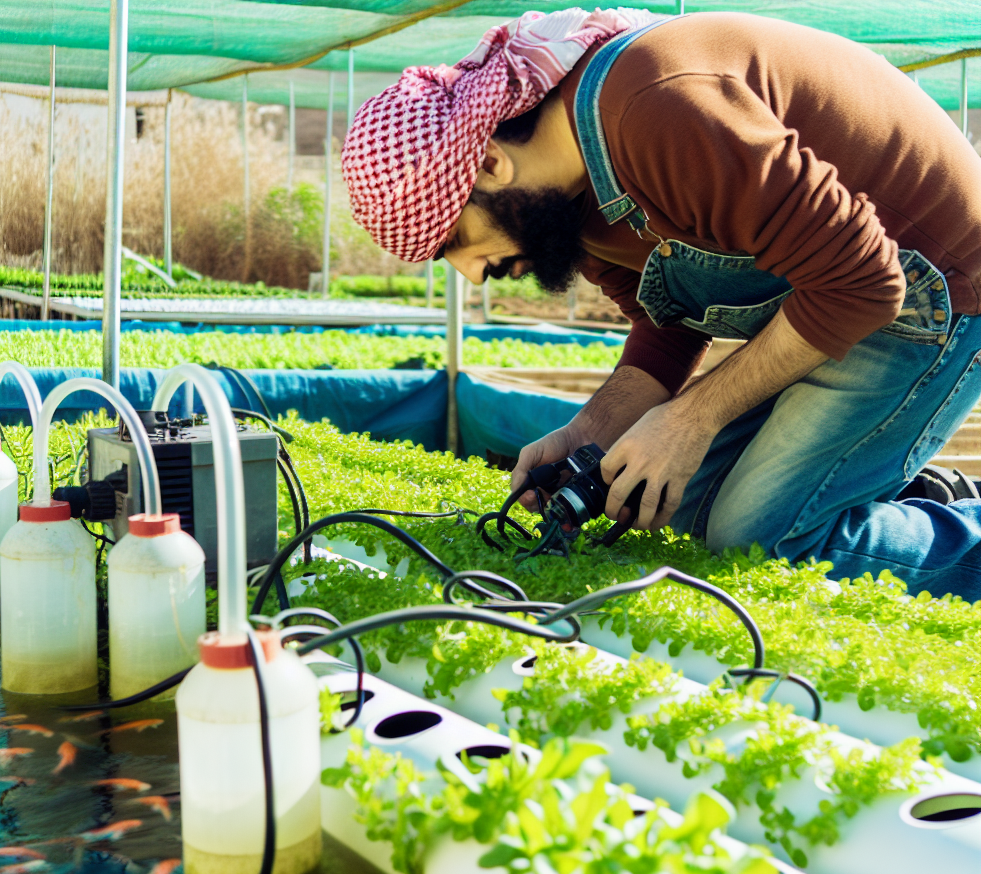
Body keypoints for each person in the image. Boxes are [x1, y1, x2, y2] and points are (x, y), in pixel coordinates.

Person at [342, 8, 981, 598]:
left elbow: (861, 281)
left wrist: (690, 419)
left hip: (930, 294)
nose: (473, 275)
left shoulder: (660, 106)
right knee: (659, 500)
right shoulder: (566, 207)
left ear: (486, 164)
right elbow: (668, 321)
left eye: (455, 240)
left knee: (761, 538)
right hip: (828, 299)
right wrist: (588, 431)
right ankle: (902, 493)